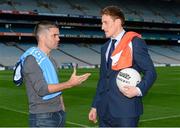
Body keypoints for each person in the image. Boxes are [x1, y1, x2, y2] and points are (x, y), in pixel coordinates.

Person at [88, 6, 157, 127]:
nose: (102, 27)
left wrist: (138, 90)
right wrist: (95, 105)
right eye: (101, 23)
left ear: (118, 22)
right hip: (104, 110)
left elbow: (151, 72)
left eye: (105, 22)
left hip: (126, 111)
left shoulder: (134, 42)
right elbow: (104, 79)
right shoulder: (105, 47)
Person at [17, 21, 91, 127]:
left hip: (58, 113)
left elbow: (55, 85)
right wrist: (70, 84)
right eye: (54, 35)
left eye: (58, 35)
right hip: (42, 117)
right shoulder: (31, 59)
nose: (58, 38)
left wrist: (62, 108)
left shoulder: (50, 59)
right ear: (42, 37)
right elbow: (42, 90)